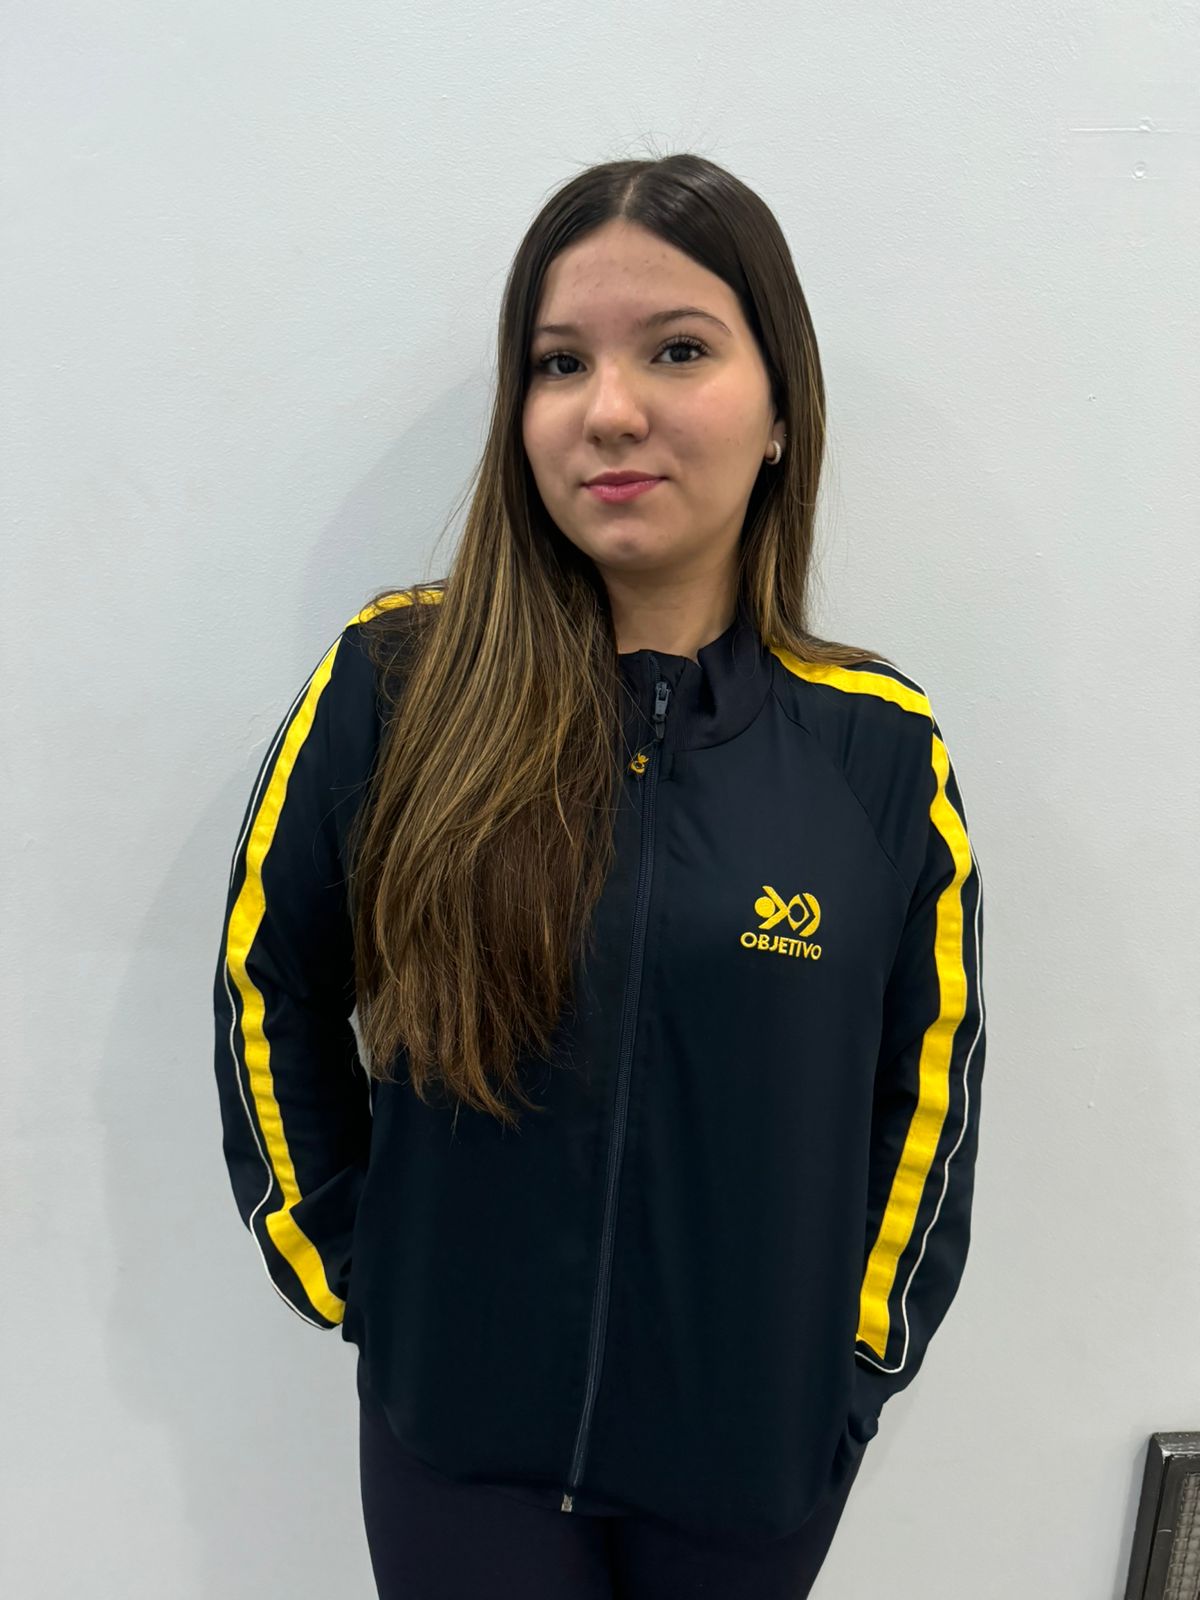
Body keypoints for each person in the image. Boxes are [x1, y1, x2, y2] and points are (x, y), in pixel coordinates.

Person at [212, 151, 987, 1598]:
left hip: (749, 1464)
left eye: (677, 349)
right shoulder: (399, 682)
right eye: (559, 362)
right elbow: (270, 984)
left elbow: (929, 1089)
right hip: (460, 1453)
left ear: (779, 411)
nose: (608, 408)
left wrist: (852, 1361)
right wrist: (362, 1278)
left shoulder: (877, 747)